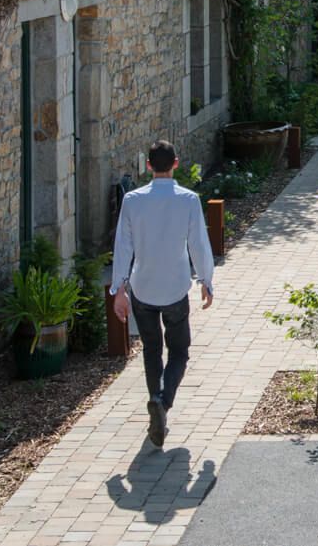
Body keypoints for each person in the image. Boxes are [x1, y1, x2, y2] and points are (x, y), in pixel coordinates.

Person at [110, 140, 214, 448]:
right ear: (177, 164)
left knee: (151, 350)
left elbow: (122, 247)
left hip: (142, 288)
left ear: (148, 167)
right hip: (175, 288)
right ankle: (164, 402)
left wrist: (119, 289)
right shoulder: (189, 200)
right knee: (179, 351)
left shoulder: (132, 200)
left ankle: (155, 397)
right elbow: (198, 243)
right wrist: (207, 280)